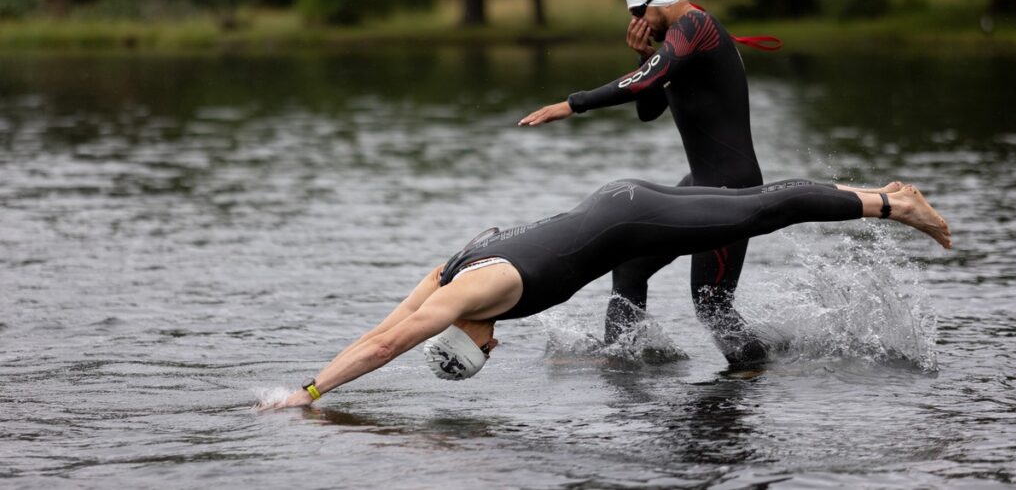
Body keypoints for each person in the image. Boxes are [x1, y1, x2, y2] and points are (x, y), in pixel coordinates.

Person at [262, 179, 950, 409]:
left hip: (630, 217)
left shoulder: (476, 294)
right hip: (618, 208)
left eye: (483, 351)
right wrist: (316, 379)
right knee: (746, 205)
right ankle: (884, 200)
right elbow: (386, 325)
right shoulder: (446, 279)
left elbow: (388, 343)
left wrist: (312, 394)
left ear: (462, 335)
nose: (496, 343)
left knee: (756, 210)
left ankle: (890, 202)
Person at [519, 0, 780, 364]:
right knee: (630, 265)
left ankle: (758, 371)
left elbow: (643, 82)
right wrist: (645, 55)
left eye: (639, 12)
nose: (636, 22)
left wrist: (573, 104)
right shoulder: (680, 41)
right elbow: (649, 107)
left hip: (731, 190)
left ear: (658, 2)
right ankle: (623, 357)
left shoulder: (695, 26)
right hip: (701, 183)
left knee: (712, 307)